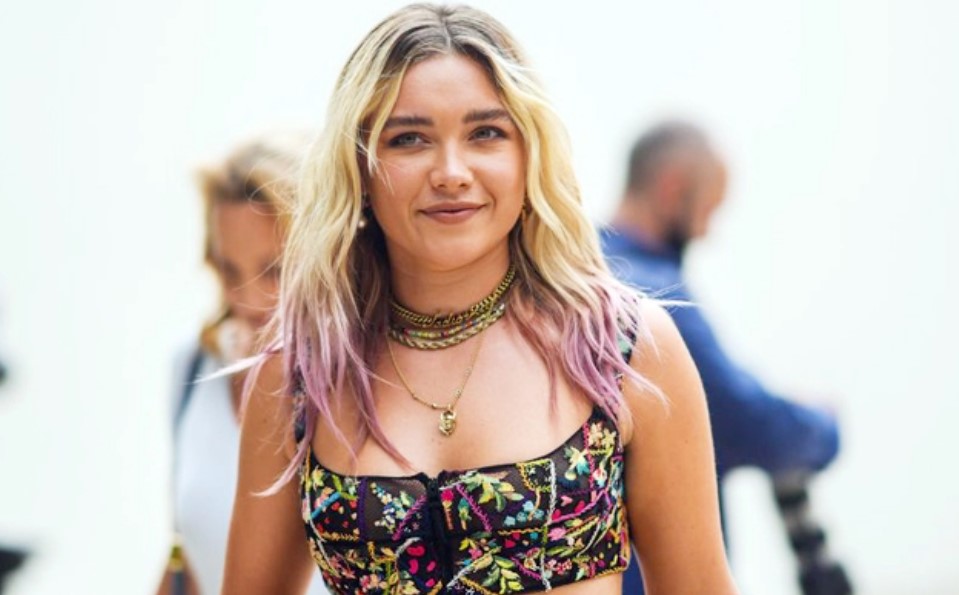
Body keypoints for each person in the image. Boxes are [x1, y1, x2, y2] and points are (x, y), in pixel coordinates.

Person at [223, 5, 739, 594]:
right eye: (409, 139)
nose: (451, 172)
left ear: (528, 154)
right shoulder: (298, 375)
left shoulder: (623, 349)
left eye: (485, 133)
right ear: (360, 167)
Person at [602, 122, 841, 593]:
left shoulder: (575, 275)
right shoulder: (653, 302)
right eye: (708, 210)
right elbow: (750, 424)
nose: (706, 232)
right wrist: (825, 425)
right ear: (673, 189)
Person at [154, 134, 329, 595]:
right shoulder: (192, 369)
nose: (248, 300)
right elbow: (188, 556)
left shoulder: (360, 387)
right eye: (229, 271)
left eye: (275, 271)